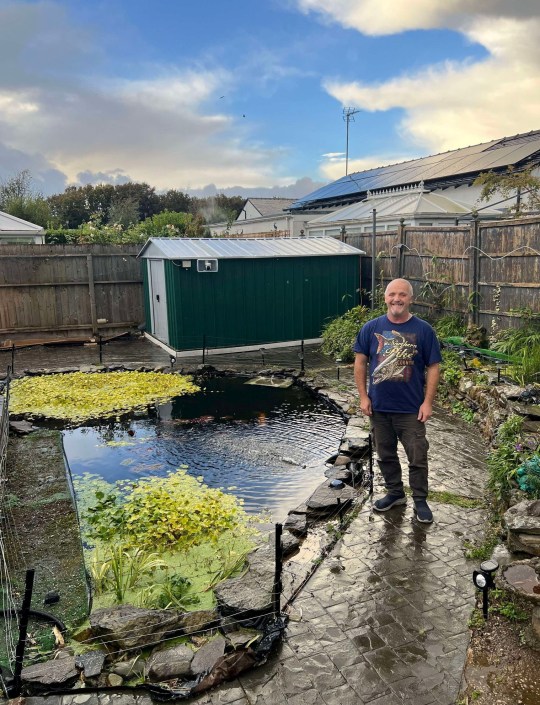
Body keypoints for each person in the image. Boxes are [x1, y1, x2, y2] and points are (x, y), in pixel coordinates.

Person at [353, 278, 441, 523]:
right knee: (385, 454)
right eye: (392, 294)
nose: (397, 299)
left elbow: (434, 367)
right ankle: (395, 493)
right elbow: (360, 363)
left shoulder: (424, 330)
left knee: (417, 457)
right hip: (379, 408)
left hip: (411, 410)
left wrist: (427, 402)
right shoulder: (371, 328)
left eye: (402, 295)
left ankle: (420, 500)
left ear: (410, 299)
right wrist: (363, 396)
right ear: (385, 298)